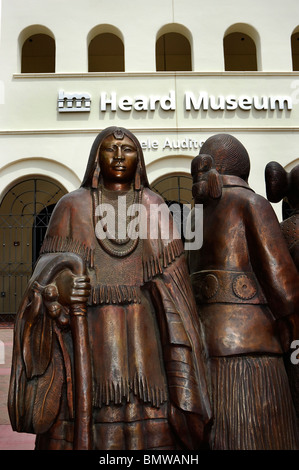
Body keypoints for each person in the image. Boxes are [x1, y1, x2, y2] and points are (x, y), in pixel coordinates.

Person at [8, 126, 212, 450]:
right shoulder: (71, 206)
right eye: (110, 149)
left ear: (140, 160)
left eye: (128, 149)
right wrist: (64, 285)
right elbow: (44, 274)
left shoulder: (154, 206)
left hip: (143, 345)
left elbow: (177, 290)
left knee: (151, 432)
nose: (119, 157)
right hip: (89, 337)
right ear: (96, 158)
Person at [187, 133, 299, 450]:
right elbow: (283, 285)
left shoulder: (197, 217)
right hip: (254, 350)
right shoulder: (253, 203)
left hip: (206, 344)